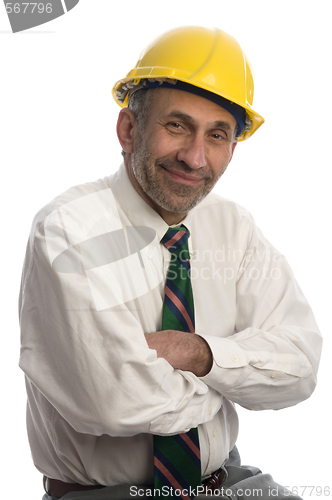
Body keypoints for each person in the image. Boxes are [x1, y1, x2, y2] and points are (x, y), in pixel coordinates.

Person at [19, 26, 322, 500]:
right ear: (128, 129)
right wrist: (233, 377)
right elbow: (113, 401)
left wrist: (198, 352)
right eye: (177, 126)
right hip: (104, 494)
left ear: (232, 149)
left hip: (228, 484)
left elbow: (301, 367)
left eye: (216, 135)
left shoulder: (233, 227)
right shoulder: (68, 230)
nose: (195, 156)